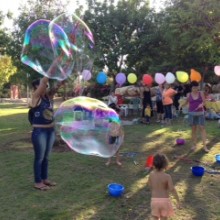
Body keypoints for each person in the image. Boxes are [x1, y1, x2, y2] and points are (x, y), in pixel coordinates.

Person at [31, 76, 64, 190]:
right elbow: (44, 81)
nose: (45, 87)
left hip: (50, 131)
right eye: (42, 86)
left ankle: (44, 179)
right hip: (40, 132)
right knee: (39, 158)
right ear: (37, 87)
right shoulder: (36, 97)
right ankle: (38, 182)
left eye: (45, 86)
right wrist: (50, 71)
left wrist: (62, 78)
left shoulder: (48, 97)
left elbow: (56, 87)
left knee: (46, 157)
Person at [148, 153, 180, 220]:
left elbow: (150, 186)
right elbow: (172, 189)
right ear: (165, 165)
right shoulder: (167, 177)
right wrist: (178, 200)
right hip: (164, 201)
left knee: (155, 217)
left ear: (153, 164)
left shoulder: (151, 175)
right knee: (164, 218)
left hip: (154, 201)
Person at [179, 81, 209, 152]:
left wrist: (202, 105)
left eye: (196, 88)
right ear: (191, 88)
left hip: (200, 113)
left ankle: (205, 146)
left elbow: (204, 102)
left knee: (202, 128)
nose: (195, 89)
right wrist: (181, 105)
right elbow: (186, 102)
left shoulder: (201, 93)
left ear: (198, 87)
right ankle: (194, 145)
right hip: (191, 114)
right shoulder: (188, 94)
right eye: (193, 88)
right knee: (193, 130)